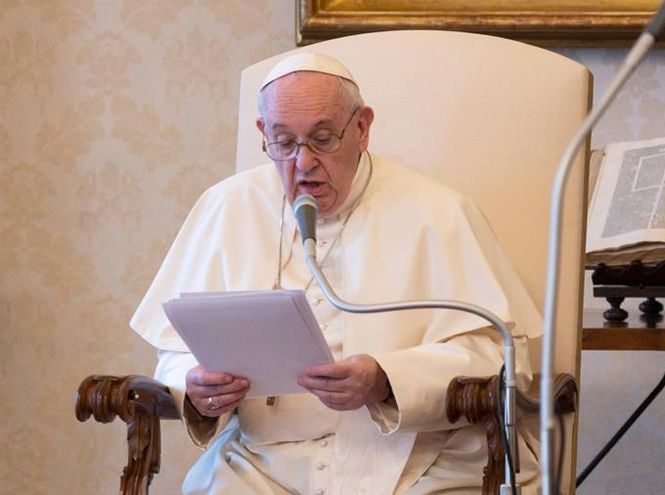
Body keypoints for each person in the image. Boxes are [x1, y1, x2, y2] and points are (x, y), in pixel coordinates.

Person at [131, 51, 542, 494]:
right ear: (262, 133)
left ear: (362, 128)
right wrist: (195, 386)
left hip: (419, 459)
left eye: (323, 139)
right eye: (283, 142)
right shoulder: (226, 207)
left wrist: (386, 379)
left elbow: (501, 360)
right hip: (261, 465)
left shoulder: (438, 212)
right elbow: (176, 350)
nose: (303, 162)